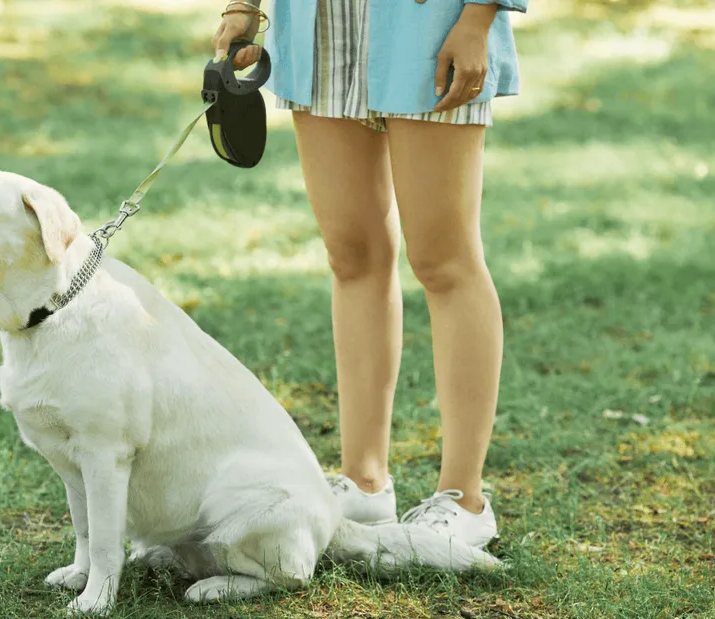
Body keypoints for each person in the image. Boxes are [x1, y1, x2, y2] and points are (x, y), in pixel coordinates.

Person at [212, 0, 526, 550]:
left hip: (431, 27)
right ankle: (363, 483)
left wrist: (478, 18)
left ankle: (465, 498)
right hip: (319, 30)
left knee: (444, 262)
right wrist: (245, 7)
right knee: (351, 257)